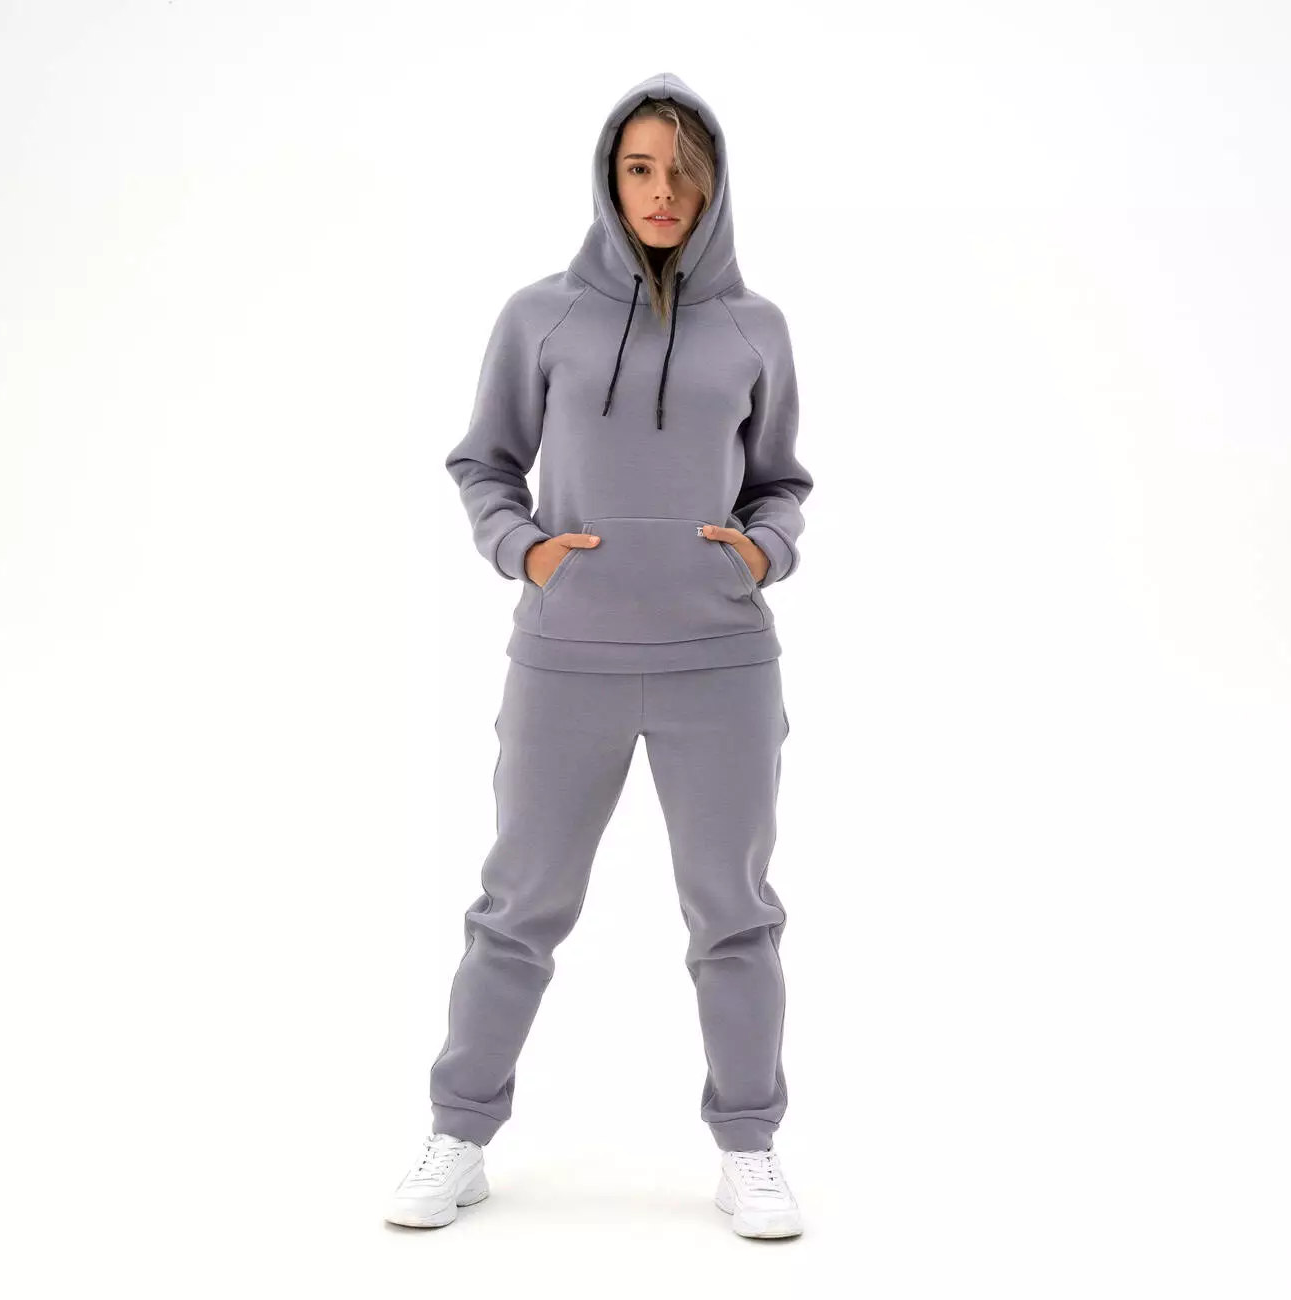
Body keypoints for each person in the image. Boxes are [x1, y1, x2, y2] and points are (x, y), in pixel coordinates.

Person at [385, 71, 813, 1239]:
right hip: (564, 658)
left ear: (713, 183)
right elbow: (483, 461)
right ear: (608, 178)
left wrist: (763, 551)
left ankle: (749, 1143)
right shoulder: (542, 317)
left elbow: (780, 482)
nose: (662, 191)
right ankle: (459, 1132)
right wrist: (523, 550)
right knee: (517, 905)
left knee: (733, 914)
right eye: (639, 168)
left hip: (721, 665)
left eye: (684, 171)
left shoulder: (756, 328)